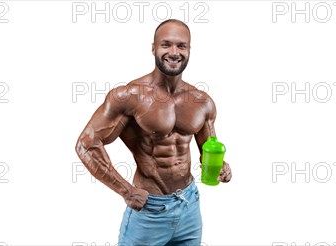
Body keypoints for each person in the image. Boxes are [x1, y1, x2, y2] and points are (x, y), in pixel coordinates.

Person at [75, 19, 232, 245]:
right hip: (150, 212)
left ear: (189, 50)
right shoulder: (129, 96)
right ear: (153, 48)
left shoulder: (202, 101)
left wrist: (223, 168)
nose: (174, 52)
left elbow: (210, 150)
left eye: (181, 46)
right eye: (166, 44)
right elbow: (86, 144)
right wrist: (126, 190)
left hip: (189, 205)